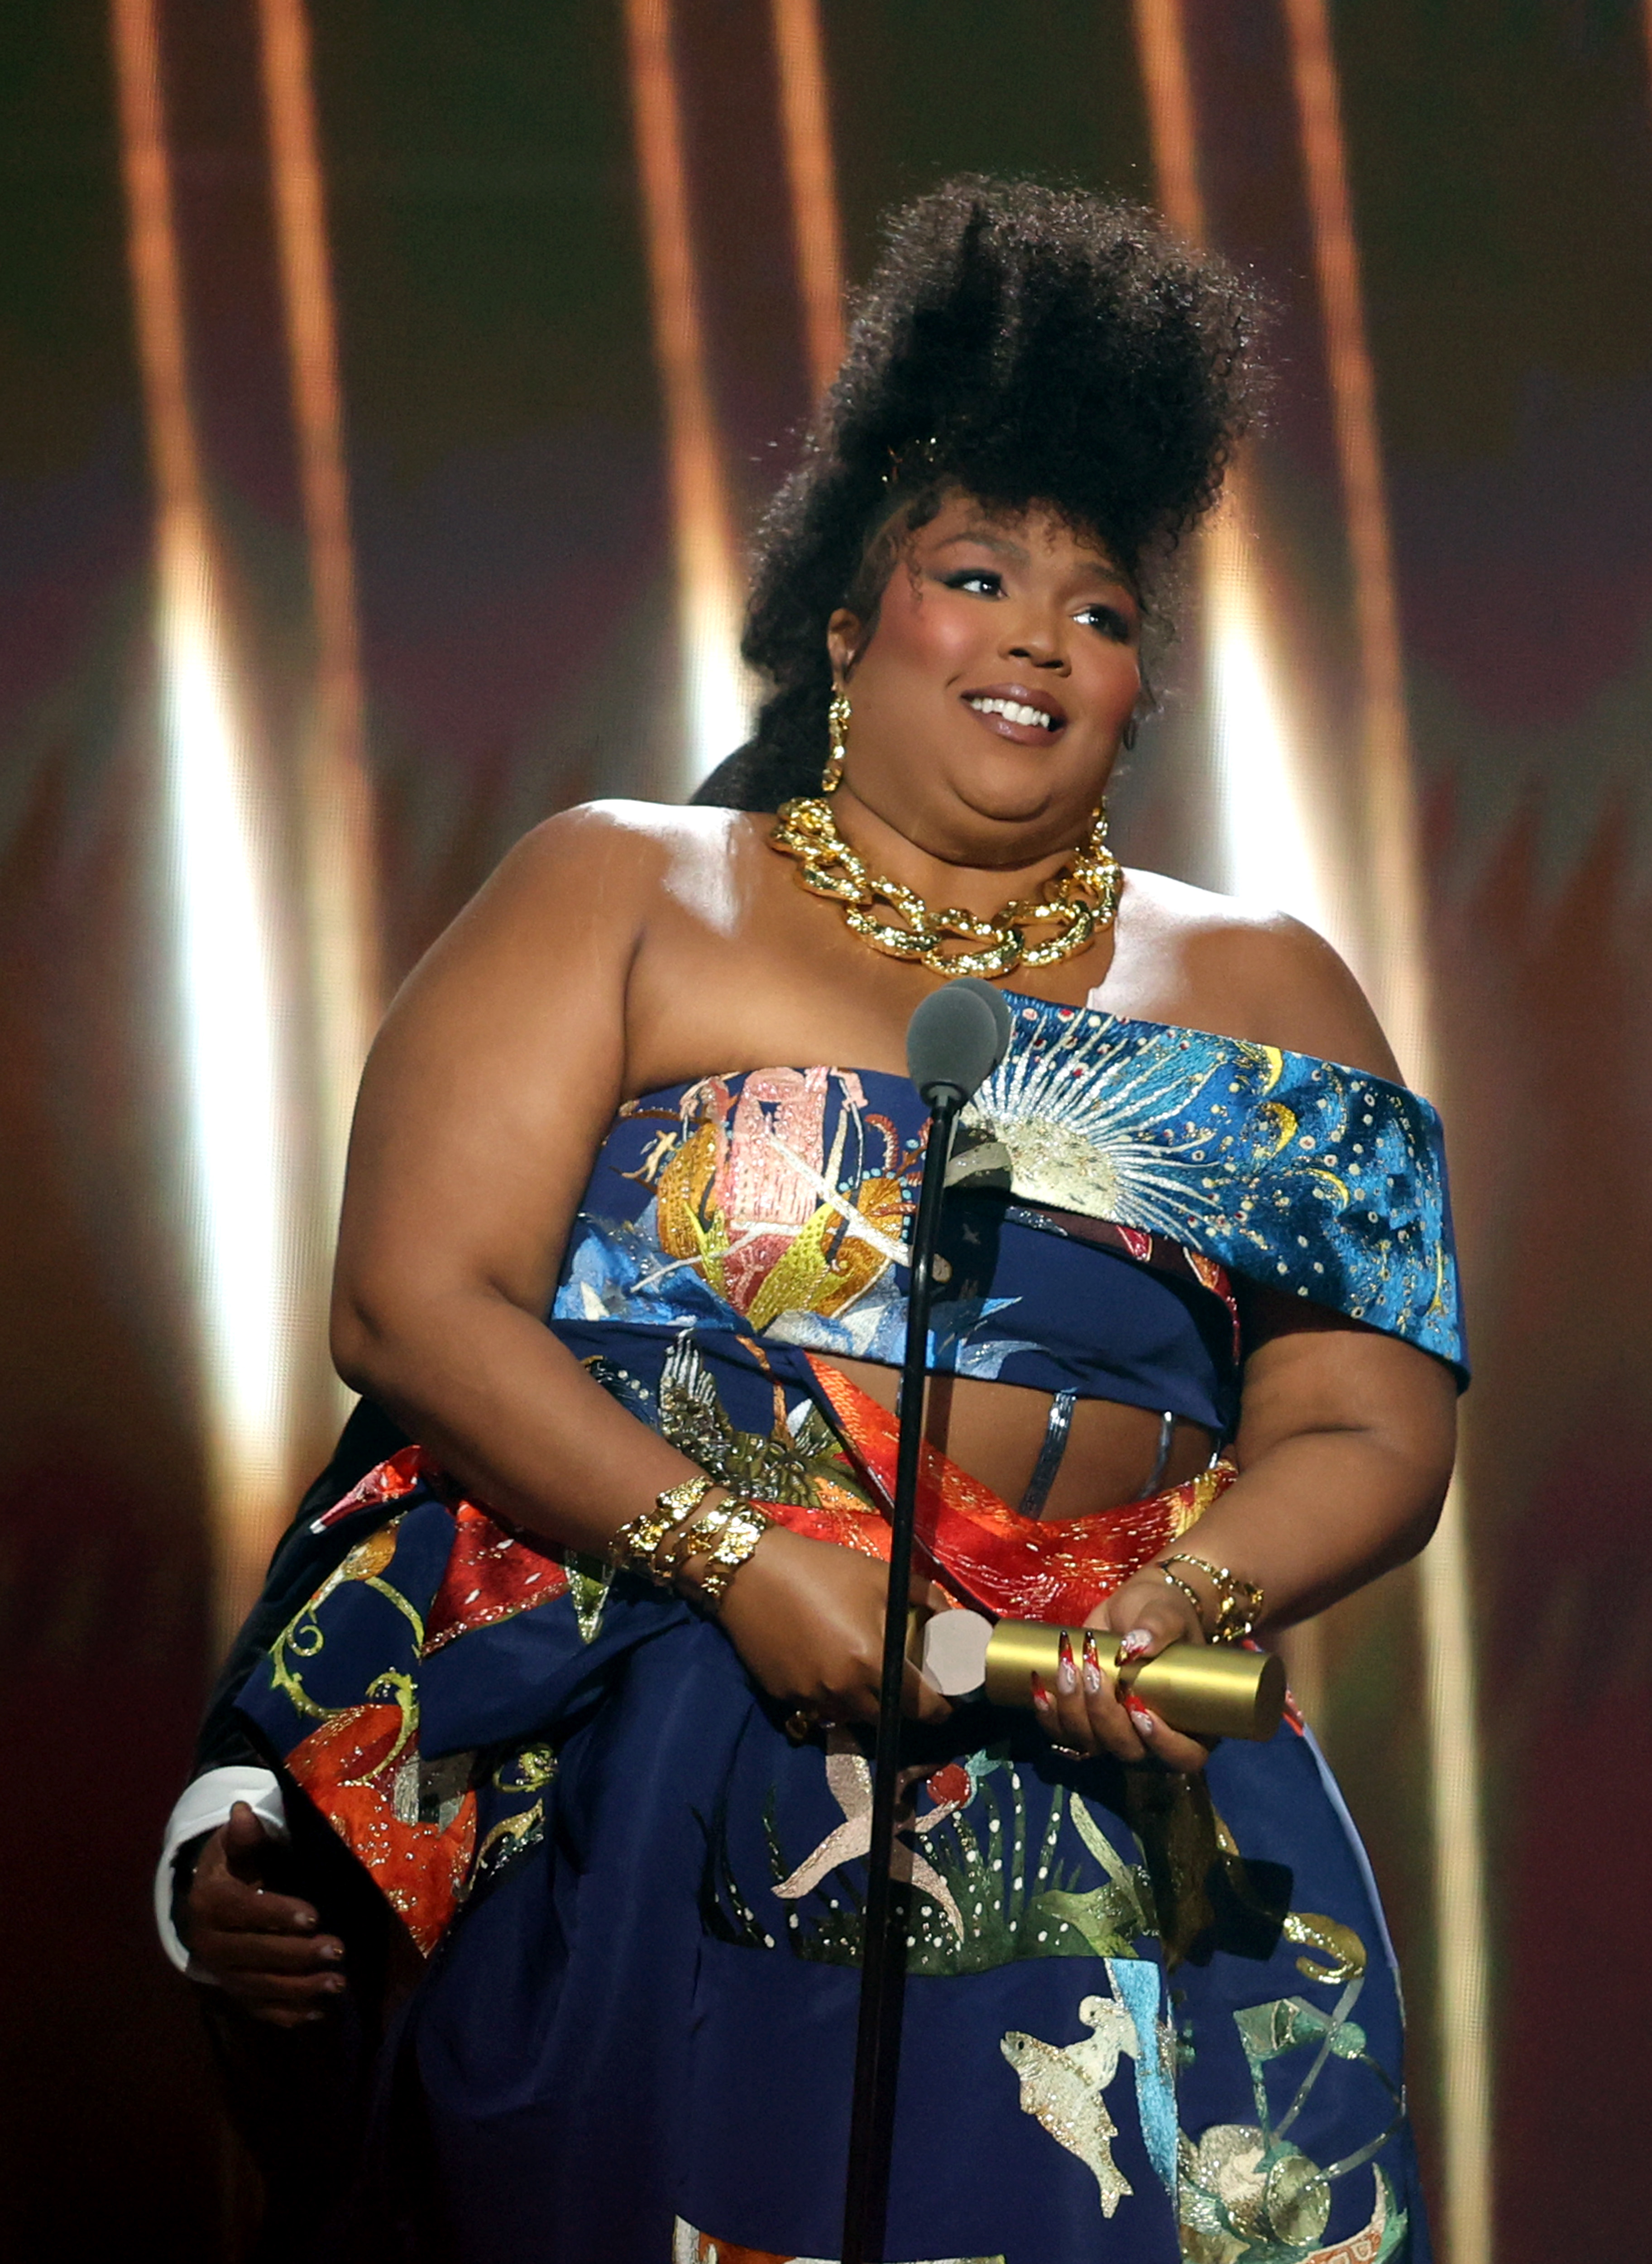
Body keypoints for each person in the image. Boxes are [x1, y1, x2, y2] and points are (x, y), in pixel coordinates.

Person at [163, 179, 1462, 2263]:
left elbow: (1371, 1420)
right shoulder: (625, 890)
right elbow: (414, 1299)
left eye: (1103, 608)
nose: (1043, 633)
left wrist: (1174, 1604)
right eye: (976, 575)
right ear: (851, 628)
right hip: (694, 1728)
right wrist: (738, 1557)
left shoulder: (1276, 987)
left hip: (1113, 1769)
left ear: (1137, 690)